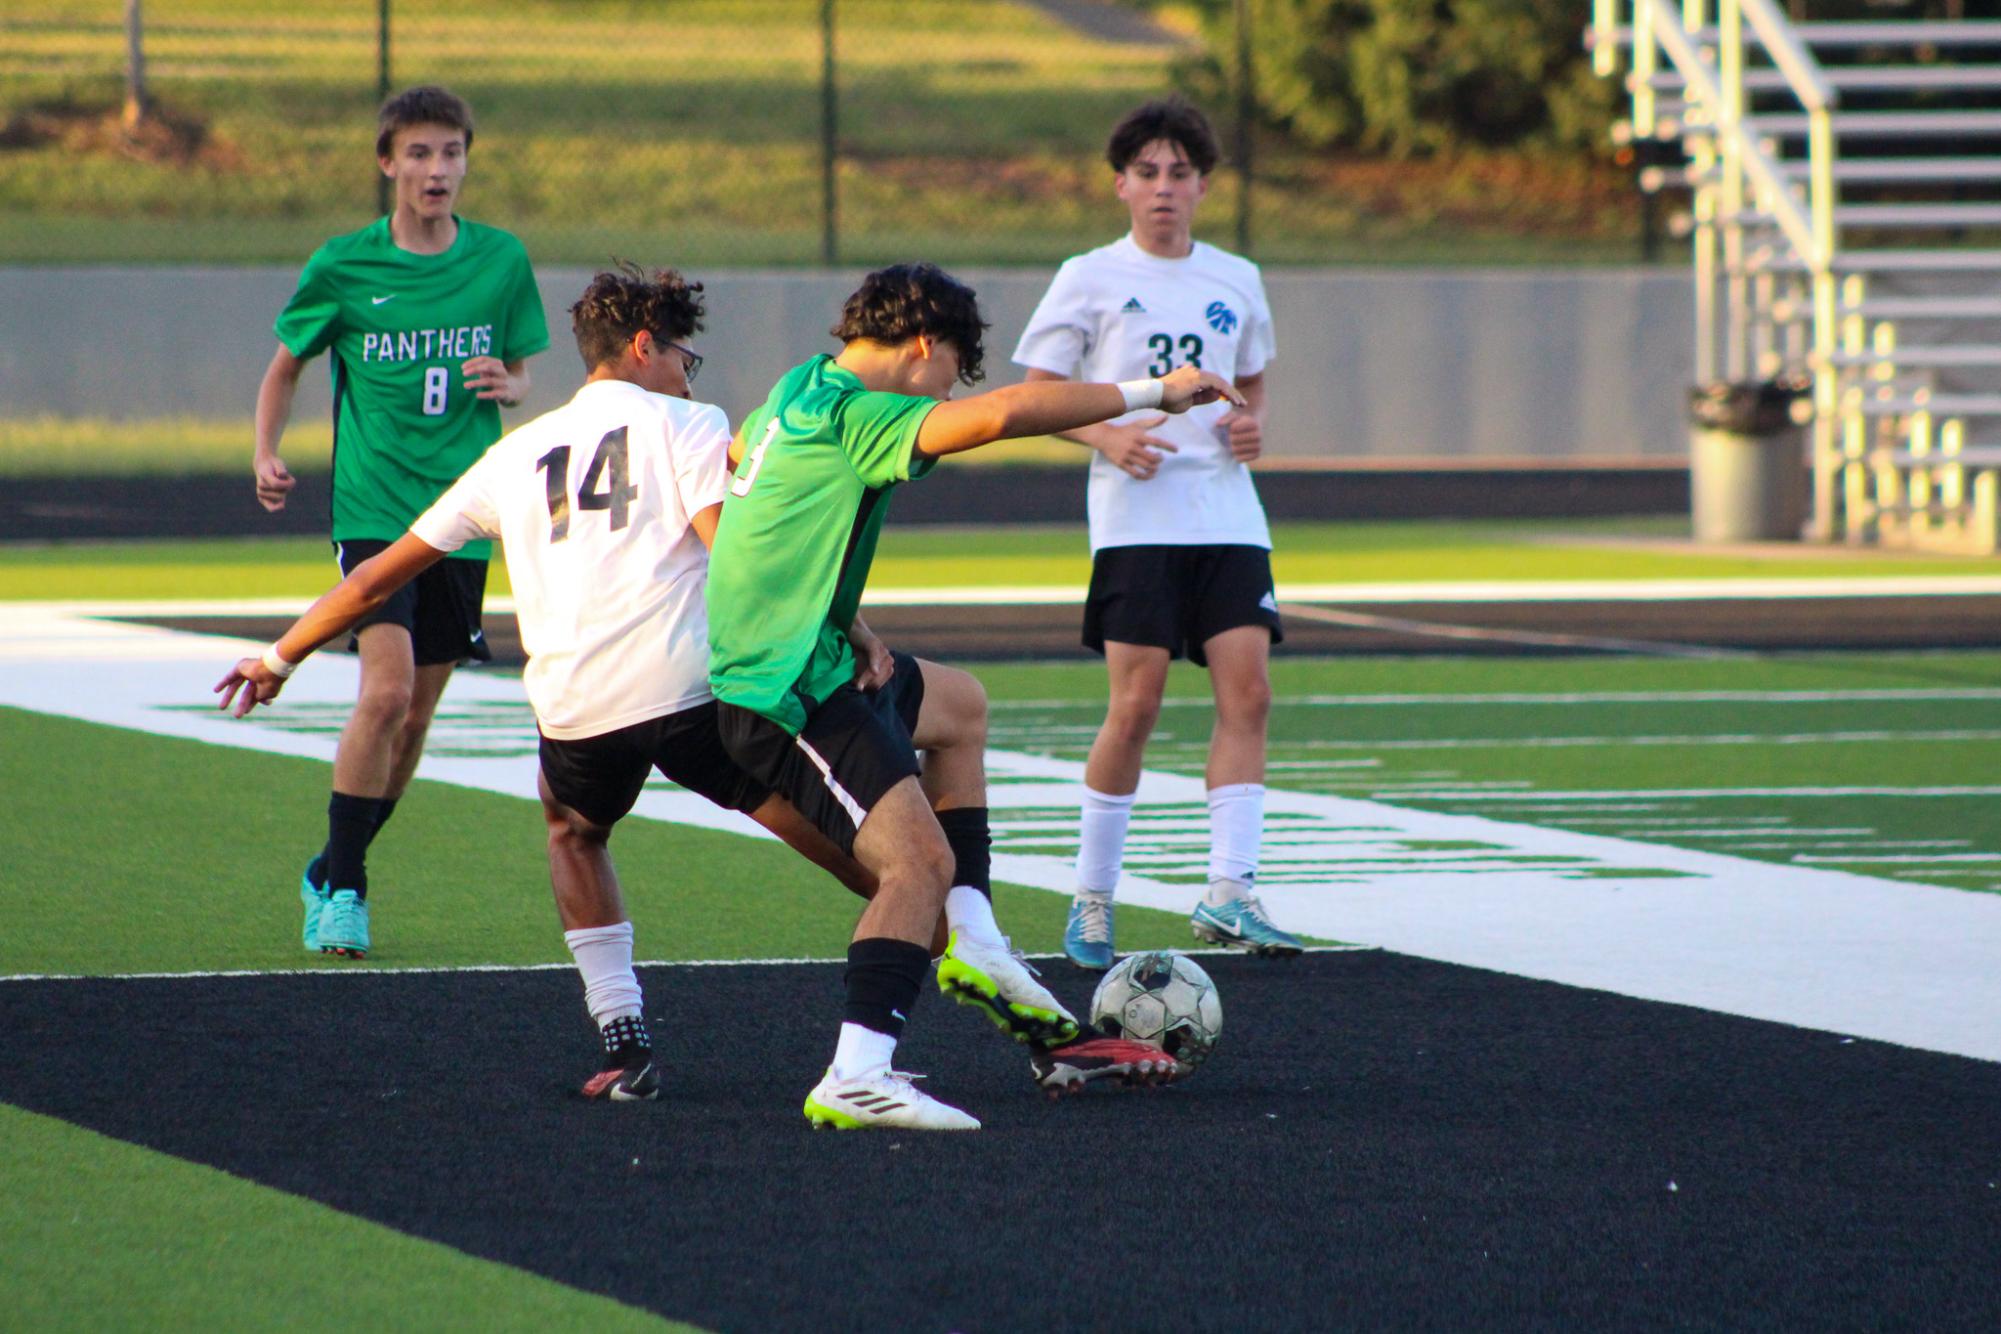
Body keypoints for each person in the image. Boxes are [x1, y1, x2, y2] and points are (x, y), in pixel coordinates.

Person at [223, 266, 889, 1100]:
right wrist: (852, 628)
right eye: (686, 354)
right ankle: (971, 960)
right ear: (646, 347)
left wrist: (276, 659)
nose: (690, 373)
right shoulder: (689, 421)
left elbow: (369, 585)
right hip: (690, 699)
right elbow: (742, 561)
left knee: (573, 830)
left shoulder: (510, 454)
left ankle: (624, 1037)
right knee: (879, 861)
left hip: (577, 716)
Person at [706, 261, 1243, 1130]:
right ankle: (855, 1073)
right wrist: (1155, 390)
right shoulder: (858, 413)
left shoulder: (797, 389)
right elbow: (1001, 416)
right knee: (917, 867)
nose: (950, 391)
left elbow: (755, 486)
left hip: (817, 657)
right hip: (784, 691)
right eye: (952, 368)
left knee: (958, 707)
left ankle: (979, 941)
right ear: (923, 346)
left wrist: (851, 619)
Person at [251, 85, 548, 960]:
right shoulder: (344, 266)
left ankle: (331, 860)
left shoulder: (499, 260)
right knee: (382, 693)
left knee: (414, 721)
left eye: (451, 153)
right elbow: (284, 368)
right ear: (387, 163)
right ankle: (346, 889)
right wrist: (266, 450)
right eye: (418, 154)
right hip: (377, 511)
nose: (436, 170)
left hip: (466, 512)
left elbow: (525, 373)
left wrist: (511, 384)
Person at [1012, 97, 1303, 970]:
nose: (1164, 188)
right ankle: (1092, 900)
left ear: (1204, 185)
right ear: (1120, 185)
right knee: (1134, 707)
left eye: (1180, 173)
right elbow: (1034, 396)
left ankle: (1229, 893)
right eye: (1148, 173)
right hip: (1135, 522)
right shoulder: (1087, 276)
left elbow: (1248, 381)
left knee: (1247, 695)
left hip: (1224, 511)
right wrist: (1103, 434)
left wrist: (1248, 428)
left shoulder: (1236, 277)